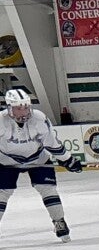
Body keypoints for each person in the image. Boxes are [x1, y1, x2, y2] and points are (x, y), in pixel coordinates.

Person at [1, 88, 81, 241]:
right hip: (6, 161)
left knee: (47, 188)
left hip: (37, 159)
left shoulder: (39, 118)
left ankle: (59, 221)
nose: (24, 112)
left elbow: (52, 144)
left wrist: (68, 159)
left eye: (26, 107)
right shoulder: (0, 121)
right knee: (2, 192)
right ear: (9, 108)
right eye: (19, 108)